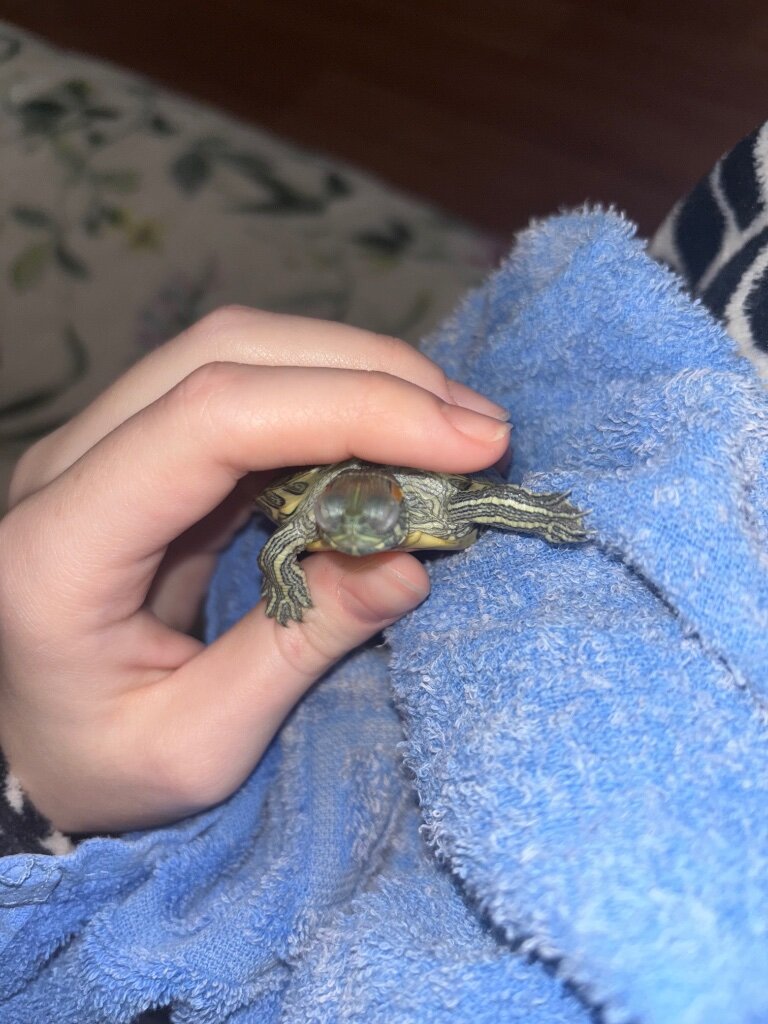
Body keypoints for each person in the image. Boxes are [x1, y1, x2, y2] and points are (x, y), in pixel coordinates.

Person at [0, 307, 510, 853]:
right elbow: (281, 548)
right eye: (342, 521)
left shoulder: (427, 501)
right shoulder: (314, 517)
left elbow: (488, 499)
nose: (355, 538)